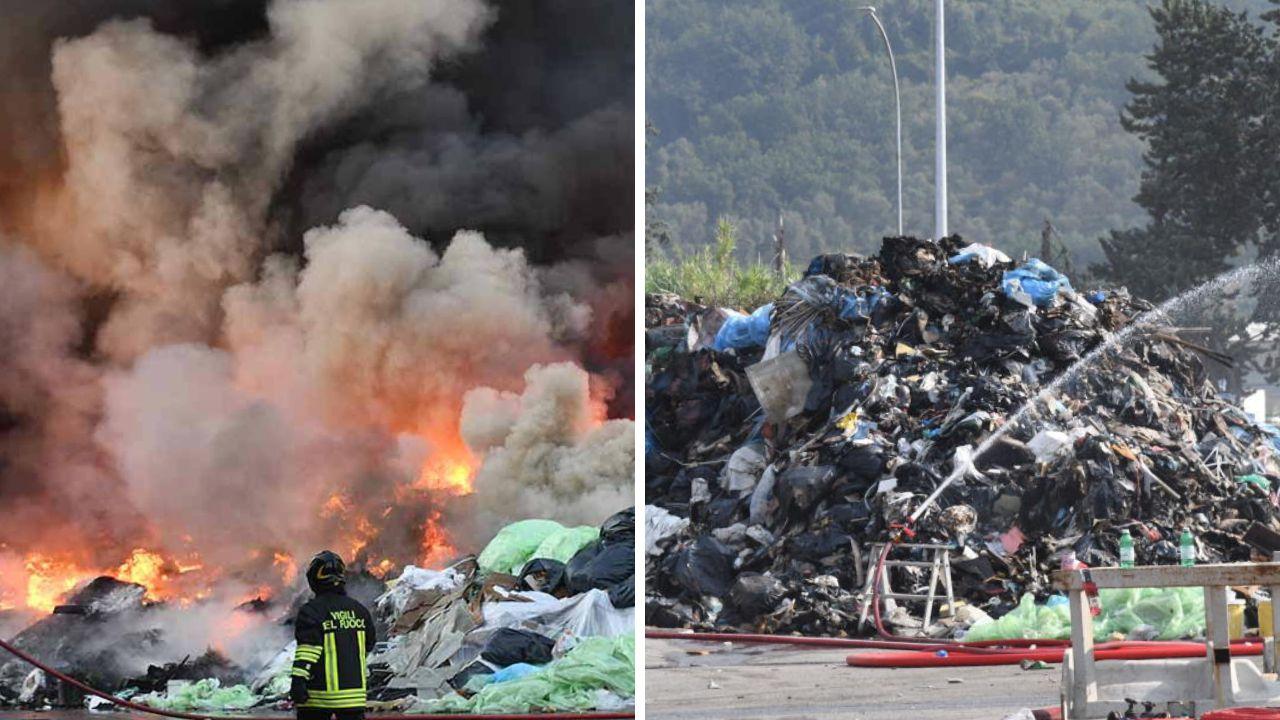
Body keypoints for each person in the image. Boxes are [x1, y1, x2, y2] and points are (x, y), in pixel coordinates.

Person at [290, 551, 376, 720]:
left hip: (319, 698)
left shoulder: (312, 610)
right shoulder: (359, 610)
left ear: (314, 579)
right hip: (354, 698)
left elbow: (308, 650)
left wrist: (298, 681)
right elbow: (369, 644)